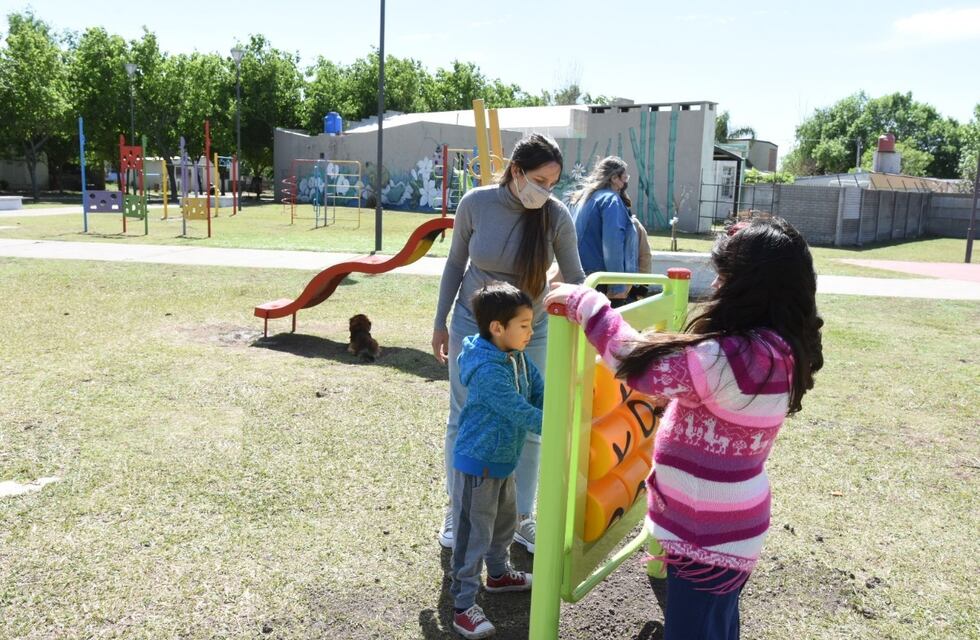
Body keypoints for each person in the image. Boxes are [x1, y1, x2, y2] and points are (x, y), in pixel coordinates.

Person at [544, 217, 823, 640]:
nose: (716, 287)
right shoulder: (779, 347)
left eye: (725, 277)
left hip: (705, 538)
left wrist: (587, 303)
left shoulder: (728, 357)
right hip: (731, 531)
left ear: (749, 286)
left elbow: (629, 358)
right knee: (718, 626)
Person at [432, 133, 586, 553]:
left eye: (553, 184)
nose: (546, 191)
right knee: (464, 415)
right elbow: (454, 264)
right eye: (540, 180)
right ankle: (457, 508)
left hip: (530, 330)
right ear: (516, 172)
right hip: (473, 325)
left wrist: (579, 313)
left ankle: (521, 517)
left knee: (533, 422)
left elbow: (576, 278)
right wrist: (440, 321)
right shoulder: (476, 203)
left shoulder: (555, 216)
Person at [449, 282, 541, 639]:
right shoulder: (488, 369)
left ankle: (499, 574)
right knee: (474, 535)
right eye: (524, 325)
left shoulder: (517, 357)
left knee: (504, 524)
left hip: (504, 462)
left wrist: (557, 405)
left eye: (531, 324)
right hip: (478, 466)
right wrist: (557, 424)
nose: (531, 332)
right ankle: (462, 605)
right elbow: (517, 409)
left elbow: (537, 389)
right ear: (497, 328)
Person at [569, 156, 638, 304]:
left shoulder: (586, 198)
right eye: (625, 177)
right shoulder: (611, 200)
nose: (626, 181)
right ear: (614, 178)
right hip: (601, 280)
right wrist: (617, 286)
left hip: (581, 275)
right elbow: (613, 245)